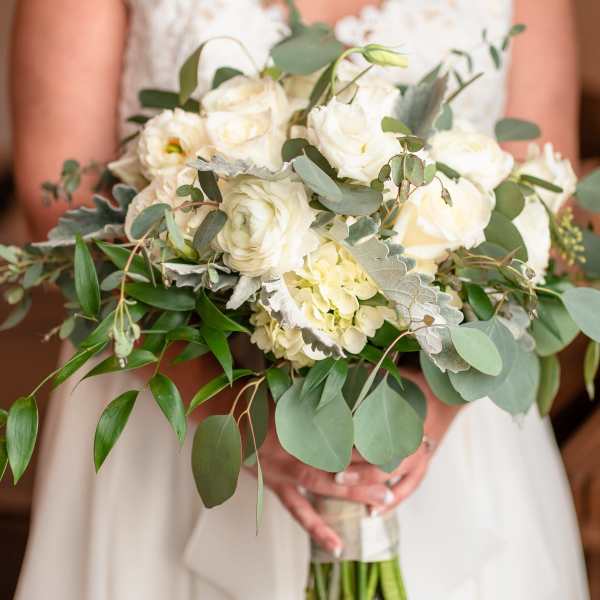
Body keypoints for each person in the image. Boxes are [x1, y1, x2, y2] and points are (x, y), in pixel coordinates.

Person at [10, 0, 589, 598]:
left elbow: (545, 201)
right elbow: (58, 204)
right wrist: (228, 409)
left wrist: (431, 410)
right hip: (174, 392)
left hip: (446, 414)